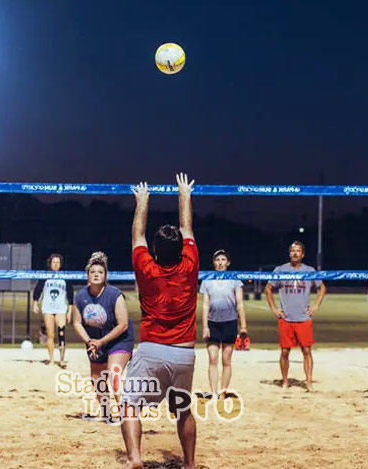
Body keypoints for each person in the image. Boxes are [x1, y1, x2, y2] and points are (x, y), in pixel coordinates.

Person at [121, 173, 198, 469]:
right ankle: (190, 464)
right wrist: (184, 194)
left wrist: (142, 200)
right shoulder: (190, 264)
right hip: (184, 353)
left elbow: (137, 235)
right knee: (183, 411)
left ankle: (135, 458)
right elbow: (187, 227)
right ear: (181, 250)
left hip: (152, 350)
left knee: (130, 404)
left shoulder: (146, 267)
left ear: (155, 251)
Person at [72, 251, 134, 420]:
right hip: (95, 340)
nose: (96, 275)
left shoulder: (114, 294)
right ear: (87, 276)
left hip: (118, 338)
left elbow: (123, 324)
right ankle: (107, 414)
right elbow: (76, 322)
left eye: (100, 272)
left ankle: (126, 414)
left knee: (113, 373)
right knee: (97, 378)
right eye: (93, 272)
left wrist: (101, 341)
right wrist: (90, 342)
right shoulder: (80, 296)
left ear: (105, 276)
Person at [264, 241, 326, 392]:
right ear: (289, 253)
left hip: (303, 318)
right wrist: (274, 309)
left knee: (306, 351)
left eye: (298, 251)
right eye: (292, 250)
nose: (295, 253)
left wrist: (316, 306)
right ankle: (285, 381)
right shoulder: (280, 270)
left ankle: (309, 383)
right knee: (285, 351)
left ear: (303, 254)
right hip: (286, 318)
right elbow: (268, 289)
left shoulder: (309, 270)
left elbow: (322, 287)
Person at [199, 249, 247, 399]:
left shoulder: (234, 280)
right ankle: (213, 392)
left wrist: (243, 326)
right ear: (213, 263)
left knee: (226, 361)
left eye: (223, 260)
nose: (220, 263)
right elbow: (205, 305)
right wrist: (205, 326)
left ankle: (222, 392)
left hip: (230, 323)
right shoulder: (207, 280)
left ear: (228, 263)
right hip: (213, 324)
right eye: (217, 260)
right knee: (212, 360)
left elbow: (240, 303)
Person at [32, 253, 76, 365]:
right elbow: (38, 290)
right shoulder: (45, 276)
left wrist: (70, 311)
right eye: (53, 262)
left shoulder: (65, 277)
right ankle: (51, 359)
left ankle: (61, 359)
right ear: (50, 264)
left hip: (61, 308)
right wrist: (35, 303)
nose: (56, 265)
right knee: (50, 334)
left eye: (58, 262)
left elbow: (70, 294)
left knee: (61, 332)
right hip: (48, 308)